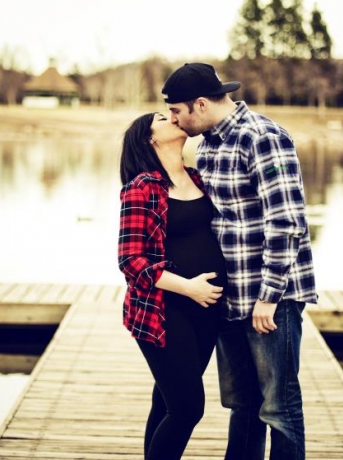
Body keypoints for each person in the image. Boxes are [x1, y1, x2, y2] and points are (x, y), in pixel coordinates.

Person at [161, 62, 318, 460]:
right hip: (230, 298)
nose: (174, 119)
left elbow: (286, 222)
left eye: (177, 110)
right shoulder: (209, 142)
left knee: (278, 406)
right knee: (242, 404)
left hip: (270, 299)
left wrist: (269, 297)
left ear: (199, 104)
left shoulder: (262, 137)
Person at [117, 111, 228, 460]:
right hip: (164, 312)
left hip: (206, 311)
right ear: (150, 139)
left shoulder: (196, 177)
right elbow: (131, 261)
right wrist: (188, 287)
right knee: (187, 408)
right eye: (164, 118)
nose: (175, 118)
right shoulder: (142, 187)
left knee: (166, 400)